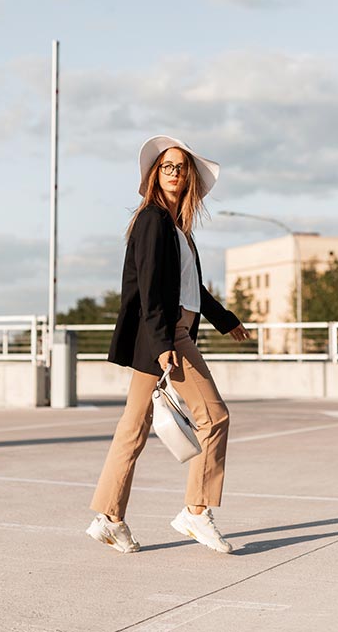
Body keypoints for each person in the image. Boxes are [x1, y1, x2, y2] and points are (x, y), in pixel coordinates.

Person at [86, 135, 250, 554]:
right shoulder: (152, 220)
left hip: (165, 332)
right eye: (167, 166)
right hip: (167, 334)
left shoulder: (176, 227)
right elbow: (150, 291)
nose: (175, 173)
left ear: (189, 176)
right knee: (214, 418)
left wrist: (226, 320)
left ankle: (109, 518)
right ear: (155, 174)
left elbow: (192, 287)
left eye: (181, 167)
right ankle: (195, 512)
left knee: (133, 428)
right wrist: (162, 342)